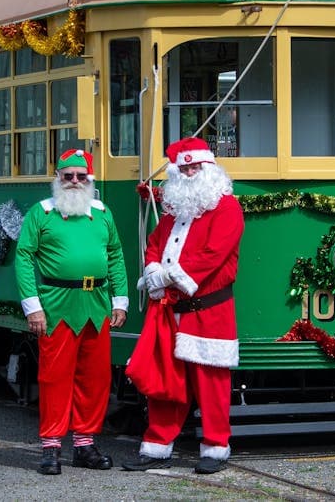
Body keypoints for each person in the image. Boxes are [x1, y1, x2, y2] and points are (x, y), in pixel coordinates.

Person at [122, 137, 244, 475]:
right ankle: (157, 446)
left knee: (211, 382)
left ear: (209, 167)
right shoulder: (173, 211)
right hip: (170, 311)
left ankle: (216, 447)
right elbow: (155, 244)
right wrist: (152, 270)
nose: (189, 172)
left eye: (195, 166)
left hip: (209, 310)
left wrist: (166, 278)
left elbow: (212, 257)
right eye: (184, 167)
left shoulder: (228, 208)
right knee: (165, 381)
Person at [15, 149, 129, 476]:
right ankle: (51, 446)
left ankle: (84, 444)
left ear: (90, 179)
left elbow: (116, 255)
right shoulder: (42, 212)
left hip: (95, 302)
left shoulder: (102, 212)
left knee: (95, 378)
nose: (75, 181)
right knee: (54, 377)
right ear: (58, 178)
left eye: (81, 176)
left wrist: (119, 299)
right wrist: (32, 306)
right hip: (56, 303)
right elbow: (24, 257)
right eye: (68, 176)